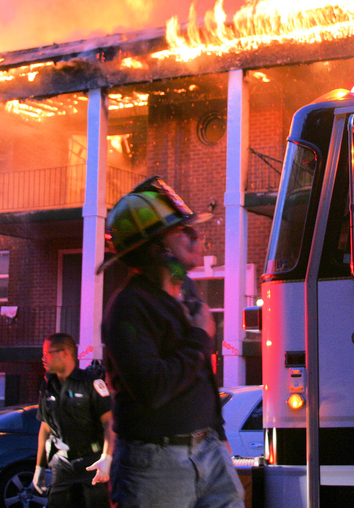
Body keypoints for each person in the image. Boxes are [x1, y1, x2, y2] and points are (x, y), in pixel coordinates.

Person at [102, 177, 244, 508]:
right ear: (158, 249)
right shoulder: (128, 308)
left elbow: (200, 377)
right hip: (154, 465)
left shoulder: (187, 291)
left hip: (208, 450)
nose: (198, 236)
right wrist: (198, 337)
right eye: (185, 232)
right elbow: (153, 388)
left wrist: (218, 435)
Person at [34, 332, 113, 508]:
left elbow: (109, 422)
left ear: (65, 353)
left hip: (90, 464)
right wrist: (39, 467)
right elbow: (45, 428)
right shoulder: (48, 386)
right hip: (61, 465)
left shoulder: (91, 383)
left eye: (47, 353)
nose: (43, 358)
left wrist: (106, 457)